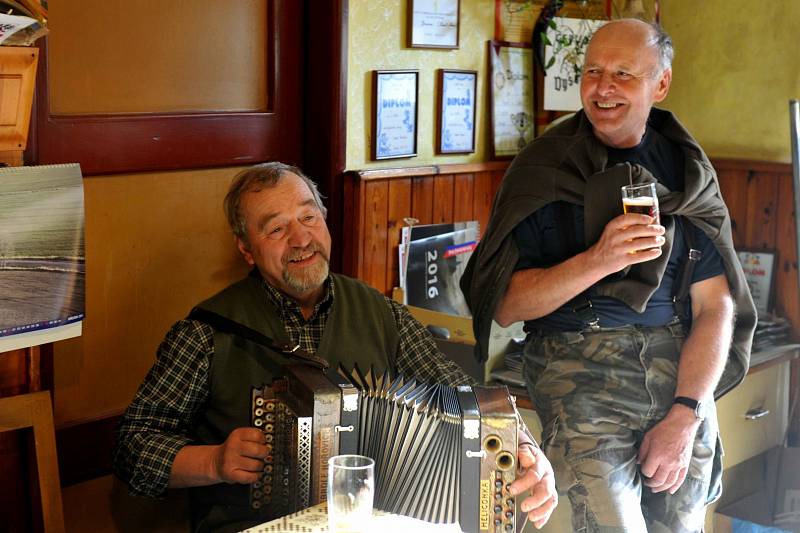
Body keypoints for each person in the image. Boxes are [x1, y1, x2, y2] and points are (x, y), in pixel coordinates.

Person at [113, 162, 557, 532]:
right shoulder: (206, 332)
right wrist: (214, 461)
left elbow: (466, 399)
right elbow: (132, 450)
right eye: (276, 229)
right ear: (246, 249)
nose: (301, 240)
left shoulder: (382, 313)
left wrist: (526, 450)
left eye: (309, 218)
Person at [461, 19, 756, 532]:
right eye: (594, 71)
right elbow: (504, 304)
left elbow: (715, 306)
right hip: (579, 368)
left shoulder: (687, 172)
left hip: (678, 371)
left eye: (624, 73)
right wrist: (599, 259)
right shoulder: (542, 169)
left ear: (659, 85)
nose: (604, 87)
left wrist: (686, 412)